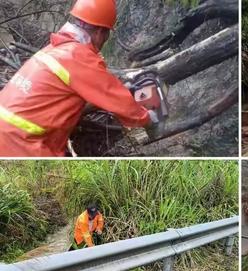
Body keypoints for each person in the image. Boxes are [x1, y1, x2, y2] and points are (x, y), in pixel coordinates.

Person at [0, 0, 158, 157]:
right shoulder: (77, 55)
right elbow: (113, 96)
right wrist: (147, 119)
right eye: (106, 35)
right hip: (21, 142)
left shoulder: (55, 49)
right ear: (100, 32)